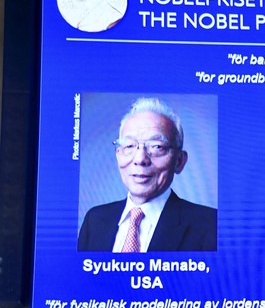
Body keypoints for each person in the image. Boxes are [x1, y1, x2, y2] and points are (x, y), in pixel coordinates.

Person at [78, 97, 217, 252]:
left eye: (157, 146)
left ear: (179, 161)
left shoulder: (211, 226)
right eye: (129, 145)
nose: (140, 159)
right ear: (118, 155)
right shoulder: (95, 220)